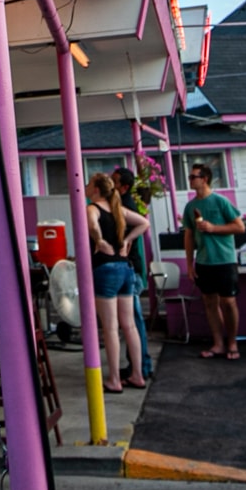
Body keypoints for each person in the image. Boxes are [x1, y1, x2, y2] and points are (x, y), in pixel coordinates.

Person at [86, 172, 146, 392]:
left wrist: (99, 240)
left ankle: (114, 379)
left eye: (89, 184)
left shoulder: (92, 208)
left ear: (96, 190)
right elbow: (143, 223)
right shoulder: (118, 209)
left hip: (106, 268)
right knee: (129, 325)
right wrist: (128, 241)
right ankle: (137, 375)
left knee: (110, 328)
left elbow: (92, 225)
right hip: (125, 267)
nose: (85, 186)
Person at [182, 162, 244, 360]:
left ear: (205, 178)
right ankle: (218, 343)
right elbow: (189, 236)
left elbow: (239, 227)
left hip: (224, 259)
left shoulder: (220, 201)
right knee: (209, 302)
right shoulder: (191, 206)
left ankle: (232, 342)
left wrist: (214, 228)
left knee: (228, 301)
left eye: (193, 177)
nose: (190, 180)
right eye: (190, 177)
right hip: (204, 261)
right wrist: (189, 264)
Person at [112, 165, 154, 379]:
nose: (111, 184)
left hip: (130, 269)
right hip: (132, 268)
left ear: (124, 187)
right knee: (131, 321)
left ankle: (141, 366)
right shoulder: (123, 204)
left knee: (133, 322)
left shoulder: (124, 206)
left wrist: (126, 241)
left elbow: (143, 225)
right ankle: (138, 365)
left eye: (115, 181)